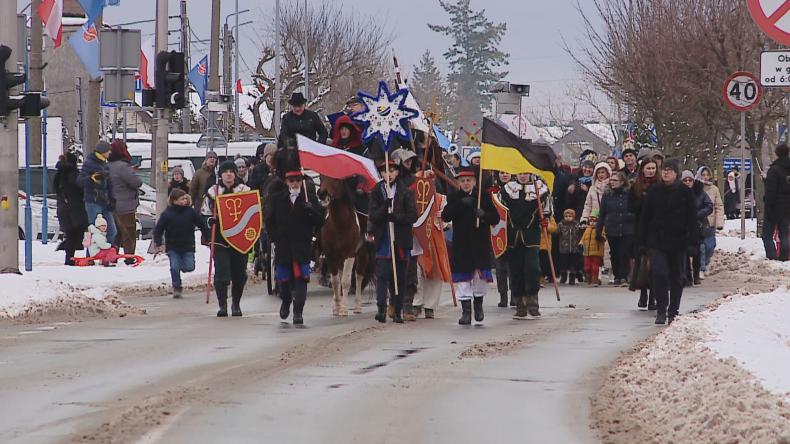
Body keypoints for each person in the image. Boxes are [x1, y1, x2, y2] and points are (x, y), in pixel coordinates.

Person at [637, 158, 697, 325]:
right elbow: (645, 217)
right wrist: (641, 242)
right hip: (656, 240)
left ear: (676, 173)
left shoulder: (685, 192)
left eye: (669, 170)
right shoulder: (654, 191)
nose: (665, 173)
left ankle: (673, 310)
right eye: (663, 170)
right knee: (660, 274)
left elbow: (692, 218)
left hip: (678, 241)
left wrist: (693, 242)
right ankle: (661, 309)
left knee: (677, 277)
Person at [265, 170, 326, 325]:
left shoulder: (309, 199)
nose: (295, 184)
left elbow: (320, 222)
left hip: (301, 247)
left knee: (301, 282)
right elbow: (269, 221)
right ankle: (286, 302)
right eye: (291, 181)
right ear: (286, 182)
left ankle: (298, 312)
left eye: (298, 180)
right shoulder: (277, 199)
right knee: (284, 284)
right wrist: (275, 237)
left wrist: (311, 210)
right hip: (283, 247)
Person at [441, 167, 500, 325]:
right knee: (463, 279)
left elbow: (495, 218)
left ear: (474, 182)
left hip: (479, 243)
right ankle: (465, 312)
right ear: (458, 183)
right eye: (462, 181)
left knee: (478, 277)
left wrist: (484, 215)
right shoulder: (454, 197)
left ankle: (478, 306)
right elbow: (445, 215)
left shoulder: (483, 197)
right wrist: (460, 204)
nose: (466, 183)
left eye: (468, 181)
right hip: (461, 244)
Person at [366, 158, 417, 324]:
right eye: (385, 171)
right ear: (381, 173)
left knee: (400, 277)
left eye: (392, 171)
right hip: (383, 240)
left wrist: (395, 217)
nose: (388, 174)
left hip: (400, 240)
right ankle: (381, 307)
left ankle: (397, 309)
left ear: (397, 172)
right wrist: (384, 207)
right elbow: (373, 215)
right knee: (381, 274)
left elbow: (412, 216)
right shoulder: (376, 191)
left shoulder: (406, 192)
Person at [203, 161, 251, 317]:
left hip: (239, 238)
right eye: (226, 171)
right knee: (222, 272)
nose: (229, 174)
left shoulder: (244, 191)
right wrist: (209, 221)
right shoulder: (213, 192)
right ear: (221, 174)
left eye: (232, 171)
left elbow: (252, 212)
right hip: (220, 238)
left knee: (239, 273)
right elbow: (204, 213)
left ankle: (236, 304)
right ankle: (222, 305)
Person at [499, 173, 548, 319]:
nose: (522, 176)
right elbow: (501, 212)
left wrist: (545, 219)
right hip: (513, 236)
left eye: (525, 173)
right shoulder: (507, 189)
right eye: (520, 173)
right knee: (515, 270)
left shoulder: (540, 189)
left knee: (533, 268)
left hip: (531, 235)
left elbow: (547, 210)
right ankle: (520, 303)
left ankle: (533, 301)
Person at [153, 189, 210, 298]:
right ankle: (177, 287)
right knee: (174, 267)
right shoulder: (167, 214)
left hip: (188, 245)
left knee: (189, 267)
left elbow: (201, 224)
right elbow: (159, 229)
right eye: (181, 199)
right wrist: (158, 242)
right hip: (172, 246)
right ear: (174, 201)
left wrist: (206, 236)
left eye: (185, 198)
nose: (184, 201)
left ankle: (182, 268)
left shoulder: (190, 212)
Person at [629, 159, 658, 310]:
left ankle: (653, 296)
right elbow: (631, 207)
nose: (651, 171)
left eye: (653, 168)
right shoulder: (636, 186)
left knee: (655, 264)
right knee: (642, 264)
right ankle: (643, 293)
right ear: (643, 170)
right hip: (641, 229)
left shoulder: (660, 185)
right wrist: (644, 201)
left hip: (657, 229)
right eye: (648, 168)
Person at [596, 171, 634, 286]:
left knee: (624, 252)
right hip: (612, 227)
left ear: (622, 182)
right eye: (611, 180)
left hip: (627, 227)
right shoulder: (607, 195)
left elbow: (635, 208)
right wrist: (599, 229)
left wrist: (631, 216)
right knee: (615, 253)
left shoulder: (629, 194)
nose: (612, 182)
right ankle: (617, 275)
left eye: (615, 180)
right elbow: (602, 212)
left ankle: (623, 276)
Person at [107, 140, 142, 262]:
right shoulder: (122, 166)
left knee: (115, 233)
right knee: (129, 233)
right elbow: (136, 182)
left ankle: (112, 256)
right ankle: (129, 257)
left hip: (111, 204)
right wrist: (133, 172)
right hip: (126, 205)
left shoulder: (107, 165)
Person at [77, 141, 117, 245]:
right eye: (108, 150)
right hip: (93, 201)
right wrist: (91, 179)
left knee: (112, 231)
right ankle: (91, 255)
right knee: (94, 230)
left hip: (105, 201)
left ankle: (107, 254)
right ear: (103, 151)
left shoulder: (104, 163)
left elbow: (109, 184)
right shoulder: (90, 163)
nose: (110, 152)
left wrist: (112, 199)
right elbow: (80, 181)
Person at [54, 152, 89, 265]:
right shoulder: (73, 174)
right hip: (75, 208)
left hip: (63, 207)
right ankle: (70, 257)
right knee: (77, 232)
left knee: (70, 233)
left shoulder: (58, 174)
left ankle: (69, 257)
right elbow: (80, 188)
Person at [682, 170, 713, 286]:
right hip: (682, 226)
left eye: (690, 180)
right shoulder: (678, 193)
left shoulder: (700, 193)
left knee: (697, 251)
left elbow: (709, 206)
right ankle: (687, 276)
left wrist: (697, 214)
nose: (688, 182)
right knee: (684, 252)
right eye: (685, 180)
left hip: (697, 226)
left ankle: (696, 275)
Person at [695, 166, 725, 275]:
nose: (706, 177)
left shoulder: (714, 189)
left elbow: (719, 206)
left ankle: (706, 262)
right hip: (698, 222)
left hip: (710, 223)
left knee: (710, 246)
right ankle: (701, 268)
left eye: (708, 175)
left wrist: (719, 222)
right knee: (701, 247)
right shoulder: (696, 188)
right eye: (703, 175)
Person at [763, 144, 790, 260]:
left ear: (777, 154)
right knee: (784, 233)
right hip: (788, 207)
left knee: (767, 235)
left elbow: (771, 192)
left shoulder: (774, 170)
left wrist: (768, 207)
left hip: (774, 208)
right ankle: (784, 258)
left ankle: (772, 257)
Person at [492, 171, 514, 306]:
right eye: (502, 173)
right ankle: (503, 296)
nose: (504, 175)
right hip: (497, 233)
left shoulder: (515, 190)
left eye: (507, 173)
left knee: (513, 267)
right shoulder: (492, 191)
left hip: (512, 232)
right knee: (500, 268)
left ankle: (514, 295)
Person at [558, 209, 582, 285]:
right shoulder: (561, 224)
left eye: (570, 216)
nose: (568, 218)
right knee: (563, 262)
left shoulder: (577, 224)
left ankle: (572, 277)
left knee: (573, 263)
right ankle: (563, 276)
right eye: (566, 216)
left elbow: (580, 233)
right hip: (564, 247)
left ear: (573, 217)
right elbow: (556, 232)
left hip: (574, 247)